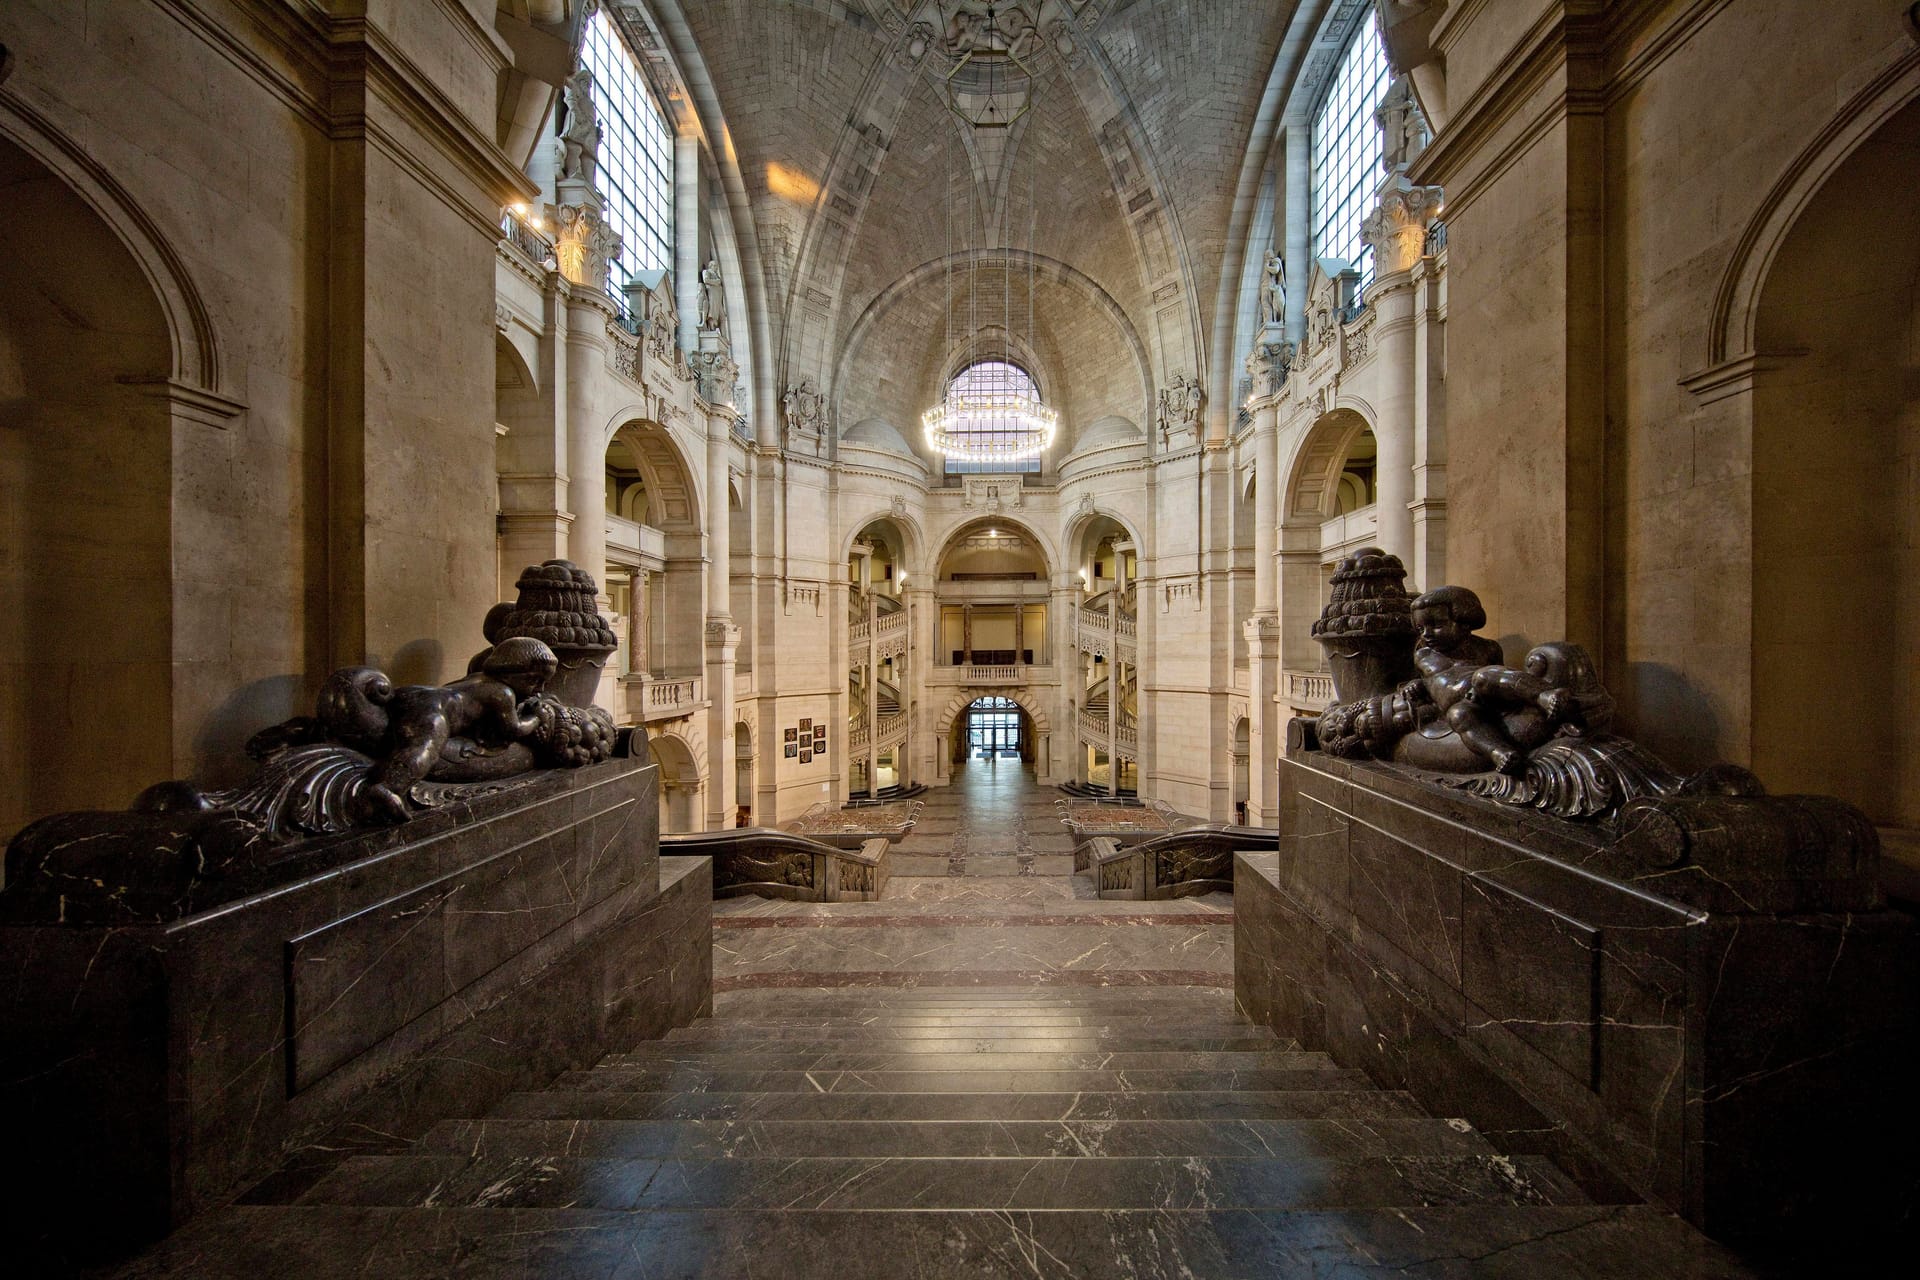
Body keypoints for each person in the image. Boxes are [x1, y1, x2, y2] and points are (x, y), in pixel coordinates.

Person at [1407, 586, 1578, 776]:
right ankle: (1499, 752)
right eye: (1421, 628)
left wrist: (1484, 690)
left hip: (1484, 691)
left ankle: (1544, 695)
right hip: (1459, 704)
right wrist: (1414, 686)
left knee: (1484, 677)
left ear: (1464, 622)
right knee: (1458, 715)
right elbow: (1425, 680)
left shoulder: (1487, 648)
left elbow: (1503, 677)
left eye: (1436, 625)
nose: (1426, 634)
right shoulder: (1424, 654)